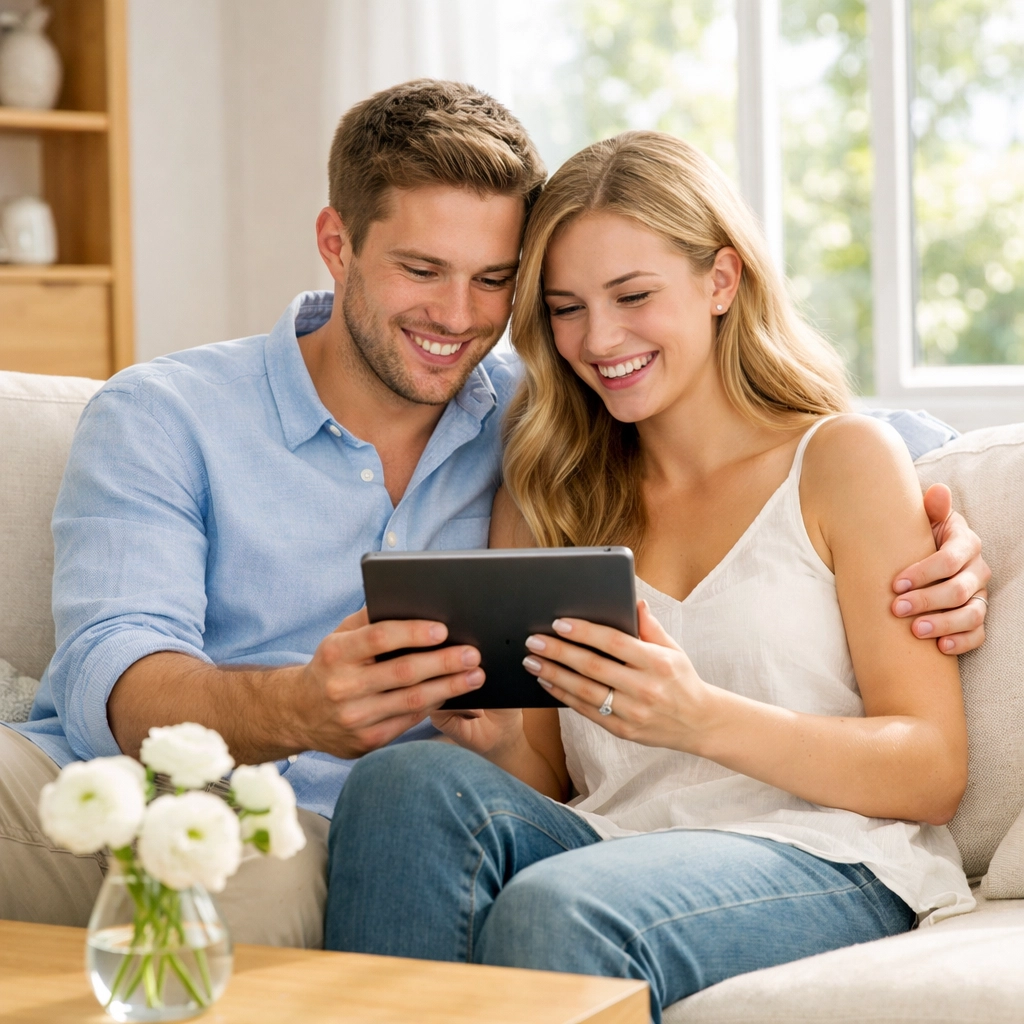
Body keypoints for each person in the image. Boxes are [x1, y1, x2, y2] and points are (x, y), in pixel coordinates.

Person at [0, 83, 987, 948]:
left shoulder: (571, 425)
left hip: (788, 844)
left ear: (720, 278)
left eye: (493, 283)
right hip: (176, 782)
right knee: (407, 784)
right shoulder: (546, 458)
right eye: (422, 271)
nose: (460, 316)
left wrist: (952, 518)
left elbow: (822, 436)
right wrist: (415, 724)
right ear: (335, 246)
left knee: (507, 886)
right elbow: (115, 670)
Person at [322, 130, 981, 1019]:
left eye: (633, 295)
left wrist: (702, 719)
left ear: (721, 280)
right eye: (565, 308)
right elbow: (552, 778)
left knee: (560, 909)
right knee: (401, 781)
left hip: (831, 854)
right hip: (610, 838)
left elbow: (932, 769)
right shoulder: (548, 489)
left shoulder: (842, 461)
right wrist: (491, 737)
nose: (600, 339)